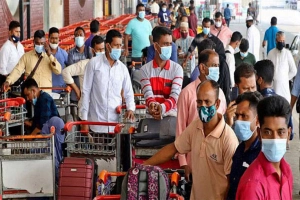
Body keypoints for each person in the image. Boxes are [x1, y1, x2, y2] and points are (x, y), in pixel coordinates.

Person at [144, 80, 239, 199]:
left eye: (207, 102)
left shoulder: (228, 139)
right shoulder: (196, 126)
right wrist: (144, 165)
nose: (203, 106)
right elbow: (174, 148)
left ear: (217, 104)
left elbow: (232, 182)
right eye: (199, 102)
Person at [176, 50, 228, 199]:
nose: (217, 70)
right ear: (202, 68)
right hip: (193, 163)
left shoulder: (220, 94)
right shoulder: (187, 93)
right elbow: (180, 128)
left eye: (218, 66)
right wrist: (183, 162)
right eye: (213, 65)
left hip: (216, 162)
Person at [236, 95, 293, 200]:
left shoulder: (287, 171)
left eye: (281, 132)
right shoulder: (253, 186)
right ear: (259, 134)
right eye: (268, 132)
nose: (275, 139)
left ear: (288, 134)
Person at [80, 29, 135, 132]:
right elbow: (86, 91)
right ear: (108, 46)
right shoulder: (94, 64)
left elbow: (128, 92)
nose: (119, 48)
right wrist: (84, 120)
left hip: (116, 125)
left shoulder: (122, 68)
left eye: (120, 45)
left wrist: (130, 108)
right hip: (97, 123)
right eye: (116, 45)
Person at [22, 78, 64, 182]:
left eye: (27, 95)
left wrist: (29, 139)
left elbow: (41, 125)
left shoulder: (45, 99)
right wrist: (30, 122)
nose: (27, 99)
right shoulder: (39, 101)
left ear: (33, 91)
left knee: (53, 160)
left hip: (52, 134)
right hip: (46, 133)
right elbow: (38, 120)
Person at [139, 26, 183, 119]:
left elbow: (175, 96)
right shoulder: (144, 70)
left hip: (171, 117)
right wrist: (153, 106)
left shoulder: (177, 69)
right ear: (155, 46)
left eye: (170, 44)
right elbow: (148, 95)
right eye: (165, 44)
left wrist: (162, 108)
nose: (169, 47)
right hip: (151, 118)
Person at [227, 91, 263, 200]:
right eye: (237, 115)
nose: (239, 121)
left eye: (244, 116)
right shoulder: (240, 148)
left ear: (257, 120)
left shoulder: (262, 154)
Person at [62, 35, 105, 118]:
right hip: (86, 108)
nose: (101, 52)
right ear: (93, 51)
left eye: (103, 49)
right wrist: (76, 90)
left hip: (101, 109)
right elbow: (65, 72)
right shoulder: (85, 64)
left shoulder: (107, 65)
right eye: (99, 50)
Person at [190, 38, 231, 105]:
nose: (216, 68)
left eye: (217, 65)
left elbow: (226, 88)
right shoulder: (189, 92)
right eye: (214, 65)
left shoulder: (220, 94)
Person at [267, 31, 297, 103]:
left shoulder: (287, 53)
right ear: (276, 41)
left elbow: (294, 70)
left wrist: (285, 78)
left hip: (284, 89)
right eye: (280, 41)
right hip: (273, 87)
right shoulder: (271, 53)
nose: (281, 42)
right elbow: (267, 69)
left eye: (283, 41)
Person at [67, 26, 93, 104]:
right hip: (76, 89)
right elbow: (71, 72)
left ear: (84, 38)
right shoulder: (71, 53)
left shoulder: (89, 51)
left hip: (88, 88)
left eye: (80, 35)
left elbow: (91, 69)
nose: (78, 37)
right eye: (76, 35)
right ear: (74, 38)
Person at [0, 20, 24, 86]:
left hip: (21, 80)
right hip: (9, 82)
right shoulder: (5, 48)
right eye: (16, 32)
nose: (18, 34)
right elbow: (2, 69)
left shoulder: (20, 46)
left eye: (19, 32)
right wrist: (9, 81)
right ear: (10, 32)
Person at [48, 27, 68, 92]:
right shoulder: (43, 53)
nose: (54, 41)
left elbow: (69, 68)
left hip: (61, 90)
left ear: (59, 39)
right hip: (47, 89)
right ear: (48, 39)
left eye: (56, 38)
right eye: (52, 38)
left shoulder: (63, 53)